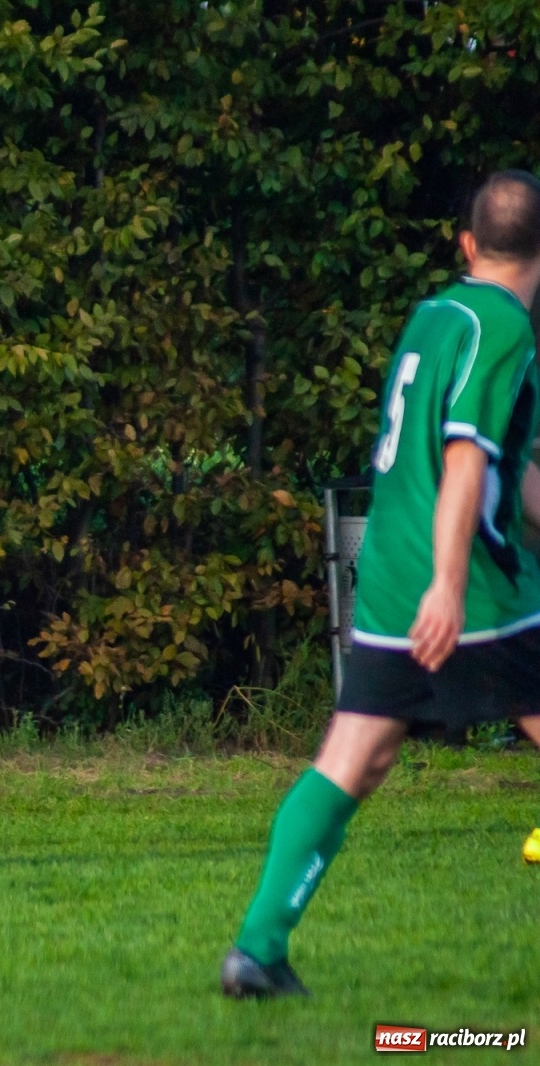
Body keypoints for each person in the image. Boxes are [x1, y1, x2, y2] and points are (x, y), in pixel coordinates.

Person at [222, 170, 540, 997]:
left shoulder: (436, 314)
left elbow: (506, 467)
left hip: (392, 572)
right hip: (466, 579)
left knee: (353, 756)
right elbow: (465, 458)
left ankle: (256, 947)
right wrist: (448, 583)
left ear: (467, 244)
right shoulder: (504, 325)